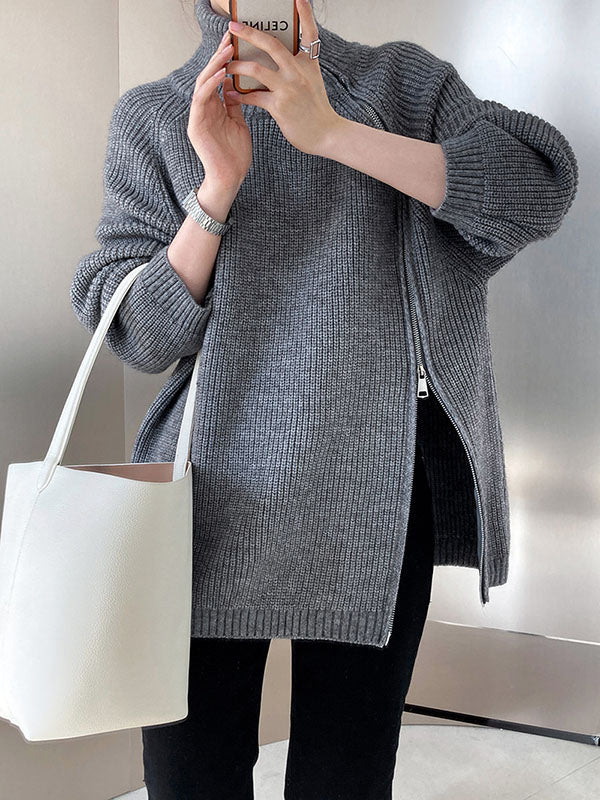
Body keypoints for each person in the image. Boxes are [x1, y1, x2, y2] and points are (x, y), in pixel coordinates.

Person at [70, 0, 579, 796]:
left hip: (376, 491)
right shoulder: (159, 115)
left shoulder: (403, 85)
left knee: (344, 778)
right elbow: (136, 333)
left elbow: (538, 188)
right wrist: (216, 189)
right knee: (190, 779)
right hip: (202, 498)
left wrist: (334, 132)